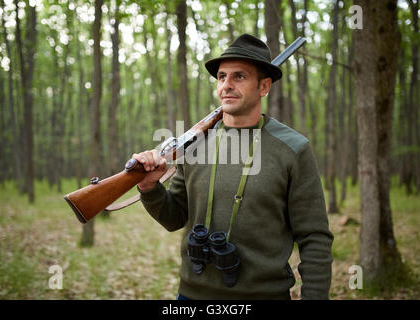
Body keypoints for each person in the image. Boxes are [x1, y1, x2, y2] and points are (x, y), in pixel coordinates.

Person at [132, 34, 334, 300]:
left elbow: (314, 237)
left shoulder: (293, 149)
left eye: (239, 76)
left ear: (264, 87)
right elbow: (174, 218)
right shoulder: (194, 145)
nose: (226, 85)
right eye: (222, 77)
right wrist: (150, 187)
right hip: (191, 297)